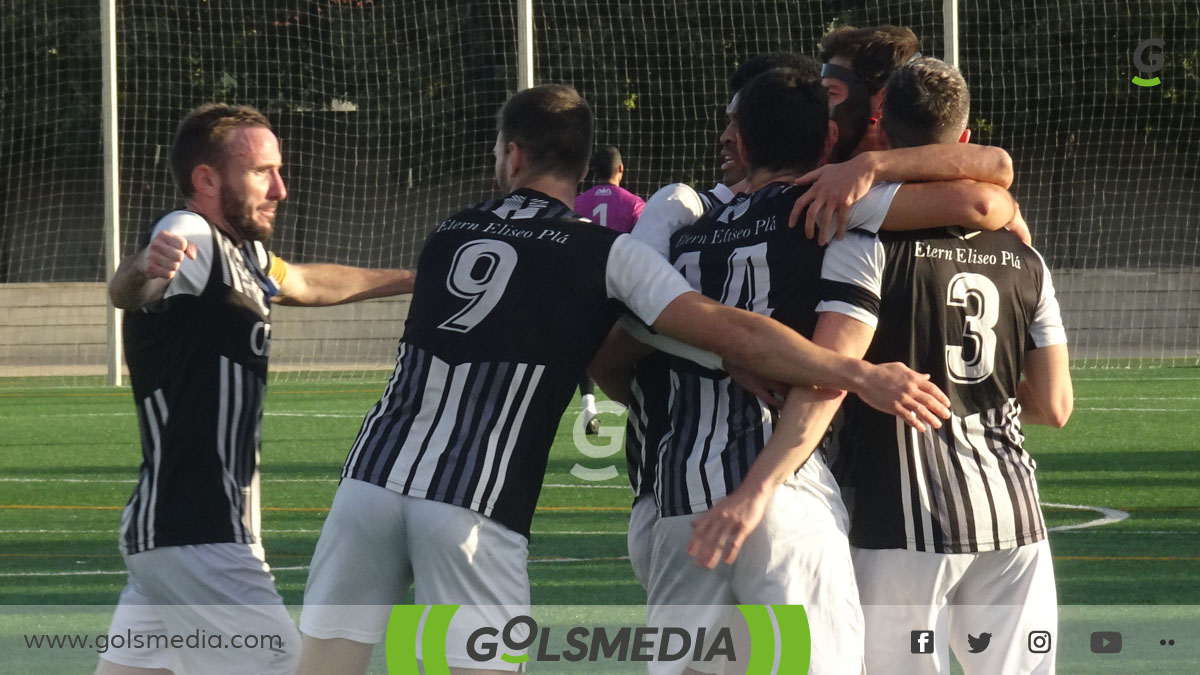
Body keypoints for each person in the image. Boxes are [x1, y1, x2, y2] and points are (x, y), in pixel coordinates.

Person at [294, 83, 950, 675]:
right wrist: (855, 372)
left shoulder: (448, 233)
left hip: (369, 483)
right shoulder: (605, 254)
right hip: (474, 500)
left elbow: (616, 352)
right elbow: (728, 327)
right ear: (585, 169)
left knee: (327, 663)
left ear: (512, 156)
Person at [97, 103, 415, 675]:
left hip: (171, 538)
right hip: (202, 540)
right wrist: (144, 265)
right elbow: (131, 290)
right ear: (207, 179)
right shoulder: (189, 234)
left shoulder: (247, 257)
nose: (281, 189)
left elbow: (314, 283)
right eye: (262, 172)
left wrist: (419, 279)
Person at [817, 58, 1072, 674]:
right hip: (1012, 512)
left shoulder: (865, 239)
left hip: (899, 516)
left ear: (884, 129)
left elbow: (830, 368)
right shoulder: (1025, 256)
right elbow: (1055, 407)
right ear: (962, 139)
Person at [621, 51, 817, 591]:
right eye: (728, 120)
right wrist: (726, 354)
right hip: (676, 492)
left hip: (764, 490)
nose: (727, 136)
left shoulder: (826, 205)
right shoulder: (682, 208)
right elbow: (623, 318)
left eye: (741, 122)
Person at [574, 145, 645, 432]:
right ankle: (638, 410)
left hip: (584, 288)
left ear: (592, 172)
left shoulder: (576, 202)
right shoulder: (634, 203)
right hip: (620, 289)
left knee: (585, 347)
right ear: (621, 169)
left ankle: (588, 407)